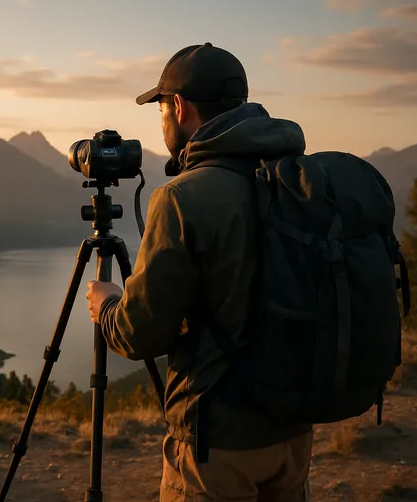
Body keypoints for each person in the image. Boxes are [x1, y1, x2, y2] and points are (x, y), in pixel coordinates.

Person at [85, 43, 313, 501]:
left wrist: (108, 304)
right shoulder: (295, 178)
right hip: (293, 429)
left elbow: (139, 334)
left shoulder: (182, 199)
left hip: (218, 442)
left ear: (179, 107)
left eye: (162, 109)